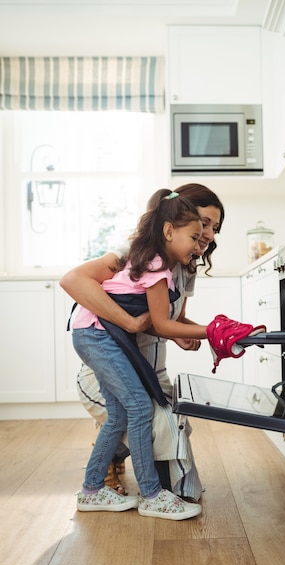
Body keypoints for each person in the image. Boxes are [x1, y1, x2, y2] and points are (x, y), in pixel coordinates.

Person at [62, 187, 220, 521]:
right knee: (139, 409)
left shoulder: (171, 263)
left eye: (212, 230)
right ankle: (150, 494)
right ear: (169, 229)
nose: (203, 239)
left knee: (125, 414)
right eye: (199, 228)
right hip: (100, 336)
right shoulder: (150, 260)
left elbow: (167, 321)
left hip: (97, 336)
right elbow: (160, 323)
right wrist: (213, 331)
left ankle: (91, 490)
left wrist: (182, 333)